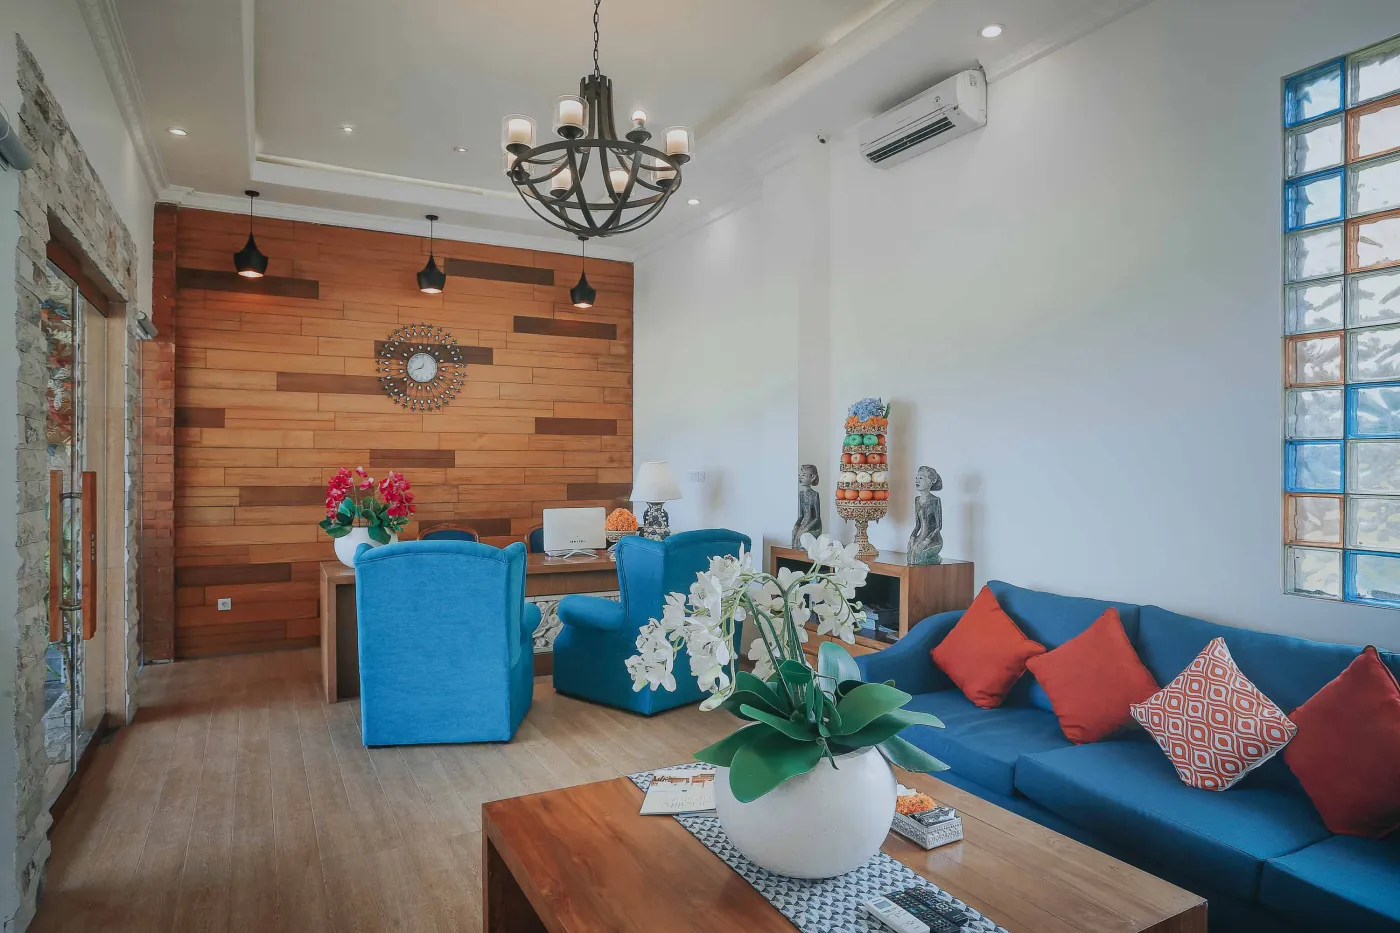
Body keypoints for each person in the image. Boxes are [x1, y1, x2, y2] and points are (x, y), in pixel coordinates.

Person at [907, 465, 943, 565]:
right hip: (920, 536)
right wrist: (912, 538)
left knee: (919, 558)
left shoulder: (935, 500)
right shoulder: (917, 500)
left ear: (932, 481)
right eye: (916, 478)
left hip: (933, 539)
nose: (917, 481)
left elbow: (938, 526)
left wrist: (926, 542)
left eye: (921, 478)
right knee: (910, 557)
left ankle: (937, 558)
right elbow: (918, 525)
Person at [791, 463, 822, 548]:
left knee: (801, 537)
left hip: (814, 526)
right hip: (804, 523)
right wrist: (796, 526)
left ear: (813, 477)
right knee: (794, 534)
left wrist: (806, 529)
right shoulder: (801, 494)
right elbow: (802, 515)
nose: (800, 477)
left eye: (804, 475)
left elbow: (817, 518)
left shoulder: (815, 495)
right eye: (800, 475)